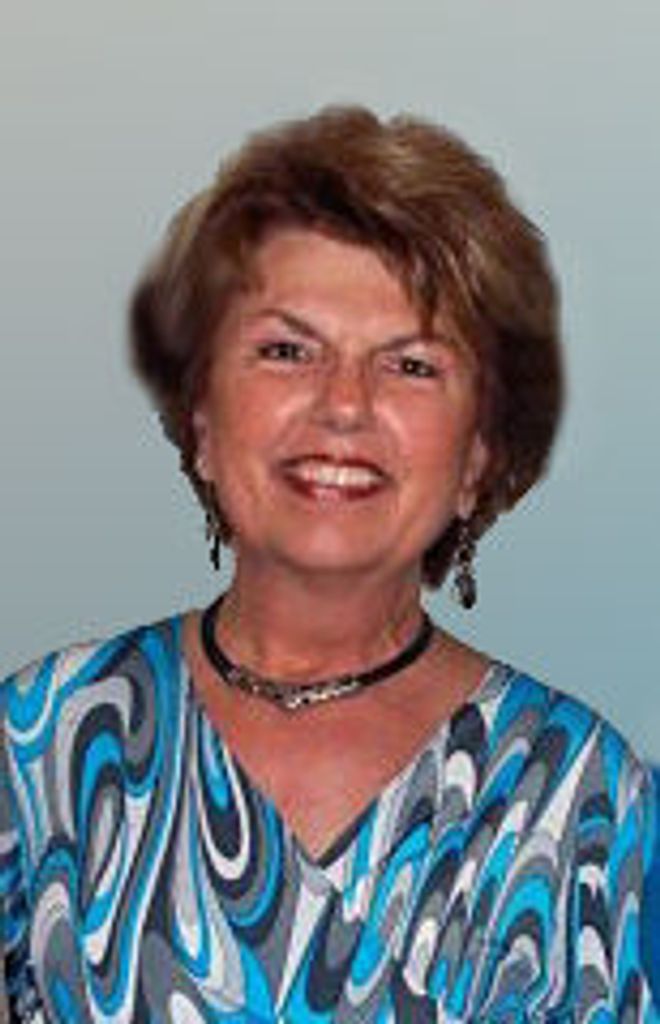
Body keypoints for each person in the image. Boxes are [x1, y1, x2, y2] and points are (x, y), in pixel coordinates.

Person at [1, 106, 657, 1022]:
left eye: (412, 365)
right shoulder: (42, 746)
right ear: (200, 420)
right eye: (287, 350)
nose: (344, 405)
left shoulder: (586, 796)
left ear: (479, 456)